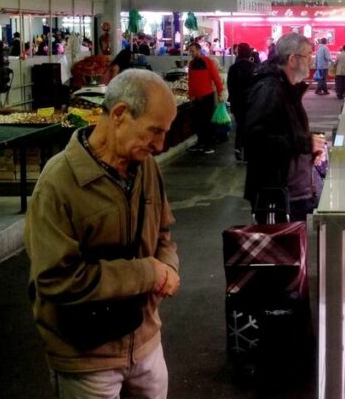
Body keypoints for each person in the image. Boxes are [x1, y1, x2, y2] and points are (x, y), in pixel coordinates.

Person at [25, 70, 180, 399]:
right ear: (121, 115)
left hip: (146, 341)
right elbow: (55, 279)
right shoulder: (58, 184)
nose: (160, 144)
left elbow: (163, 230)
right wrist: (147, 272)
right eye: (154, 131)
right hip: (86, 358)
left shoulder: (146, 167)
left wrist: (169, 266)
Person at [244, 33, 325, 223]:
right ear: (292, 59)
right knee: (283, 250)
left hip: (292, 192)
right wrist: (304, 143)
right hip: (279, 197)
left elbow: (282, 130)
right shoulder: (270, 89)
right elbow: (256, 139)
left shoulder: (285, 87)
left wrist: (309, 144)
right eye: (307, 56)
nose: (311, 61)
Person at [187, 41, 225, 154]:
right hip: (196, 97)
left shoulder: (208, 62)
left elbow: (216, 78)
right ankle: (200, 143)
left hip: (207, 96)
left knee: (207, 122)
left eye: (192, 51)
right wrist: (191, 94)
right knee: (197, 121)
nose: (191, 53)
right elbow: (191, 80)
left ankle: (208, 145)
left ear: (198, 50)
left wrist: (220, 93)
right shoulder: (191, 63)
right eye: (190, 51)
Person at [227, 43, 258, 163]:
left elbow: (230, 86)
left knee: (240, 125)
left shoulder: (233, 68)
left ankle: (238, 147)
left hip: (237, 102)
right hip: (251, 102)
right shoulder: (254, 67)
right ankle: (247, 154)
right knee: (250, 126)